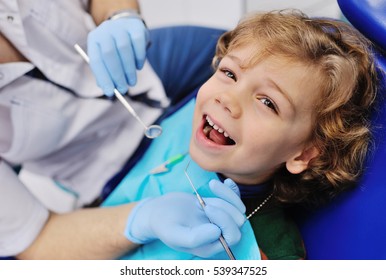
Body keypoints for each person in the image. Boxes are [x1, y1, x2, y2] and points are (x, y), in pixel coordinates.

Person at [102, 9, 380, 259]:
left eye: (268, 102)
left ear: (302, 154)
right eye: (230, 73)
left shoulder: (273, 253)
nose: (228, 99)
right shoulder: (189, 111)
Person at [0, 0, 238, 259]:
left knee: (251, 60)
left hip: (147, 68)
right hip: (103, 166)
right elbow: (34, 242)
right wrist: (143, 219)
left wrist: (120, 15)